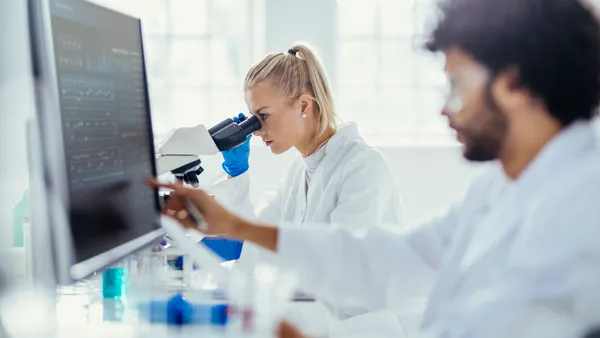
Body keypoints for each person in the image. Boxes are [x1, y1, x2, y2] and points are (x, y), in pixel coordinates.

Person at [152, 0, 600, 337]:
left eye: (458, 85)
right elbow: (396, 257)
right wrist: (235, 225)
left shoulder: (580, 205)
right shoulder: (501, 188)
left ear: (515, 85)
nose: (447, 110)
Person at [199, 42, 404, 325]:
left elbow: (339, 278)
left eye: (263, 116)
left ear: (304, 105)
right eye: (252, 119)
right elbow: (253, 244)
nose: (256, 131)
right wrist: (237, 173)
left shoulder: (363, 168)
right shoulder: (300, 173)